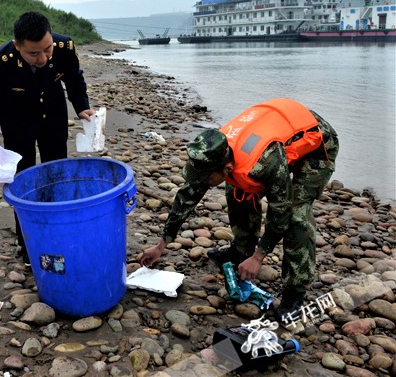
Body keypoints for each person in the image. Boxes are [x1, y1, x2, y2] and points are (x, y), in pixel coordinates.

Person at [139, 98, 339, 323]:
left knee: (296, 215)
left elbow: (279, 212)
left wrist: (259, 257)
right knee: (238, 192)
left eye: (206, 179)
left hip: (316, 144)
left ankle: (295, 291)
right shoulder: (213, 153)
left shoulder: (264, 162)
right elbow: (188, 195)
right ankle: (241, 250)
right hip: (281, 137)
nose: (202, 182)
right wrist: (162, 244)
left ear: (226, 167)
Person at [0, 11, 95, 264]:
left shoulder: (64, 47)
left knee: (57, 173)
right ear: (17, 45)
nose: (43, 58)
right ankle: (28, 244)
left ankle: (59, 233)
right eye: (34, 53)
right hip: (17, 118)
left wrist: (81, 106)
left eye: (47, 49)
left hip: (53, 112)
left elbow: (74, 79)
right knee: (24, 180)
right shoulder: (0, 61)